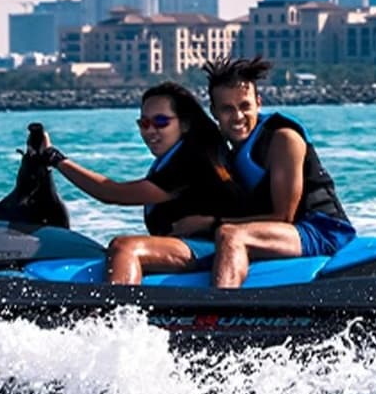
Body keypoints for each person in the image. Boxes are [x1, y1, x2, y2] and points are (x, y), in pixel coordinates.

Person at [39, 82, 237, 285]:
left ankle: (119, 315)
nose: (150, 130)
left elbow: (111, 193)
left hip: (208, 248)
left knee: (125, 247)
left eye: (161, 122)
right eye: (144, 123)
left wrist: (55, 158)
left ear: (185, 124)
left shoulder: (192, 160)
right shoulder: (177, 156)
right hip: (189, 246)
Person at [198, 55, 355, 289]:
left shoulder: (283, 138)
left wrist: (211, 224)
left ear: (258, 103)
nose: (238, 117)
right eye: (227, 109)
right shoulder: (222, 149)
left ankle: (220, 316)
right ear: (214, 112)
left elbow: (284, 216)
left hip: (322, 231)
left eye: (245, 106)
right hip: (285, 233)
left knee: (230, 236)